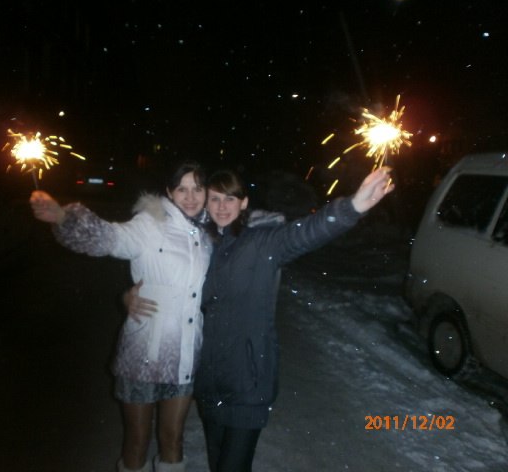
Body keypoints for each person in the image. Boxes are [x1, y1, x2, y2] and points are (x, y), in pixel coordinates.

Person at [129, 166, 394, 471]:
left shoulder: (262, 241)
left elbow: (306, 232)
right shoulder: (202, 249)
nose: (222, 206)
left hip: (248, 383)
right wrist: (132, 296)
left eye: (230, 199)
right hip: (210, 383)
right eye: (215, 199)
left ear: (244, 203)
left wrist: (353, 207)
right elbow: (174, 289)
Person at [30, 161, 210, 472]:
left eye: (198, 189)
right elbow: (111, 238)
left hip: (184, 355)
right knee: (137, 441)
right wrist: (63, 217)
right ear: (169, 192)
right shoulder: (150, 225)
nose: (191, 197)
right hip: (142, 353)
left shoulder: (208, 236)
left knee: (173, 440)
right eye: (182, 189)